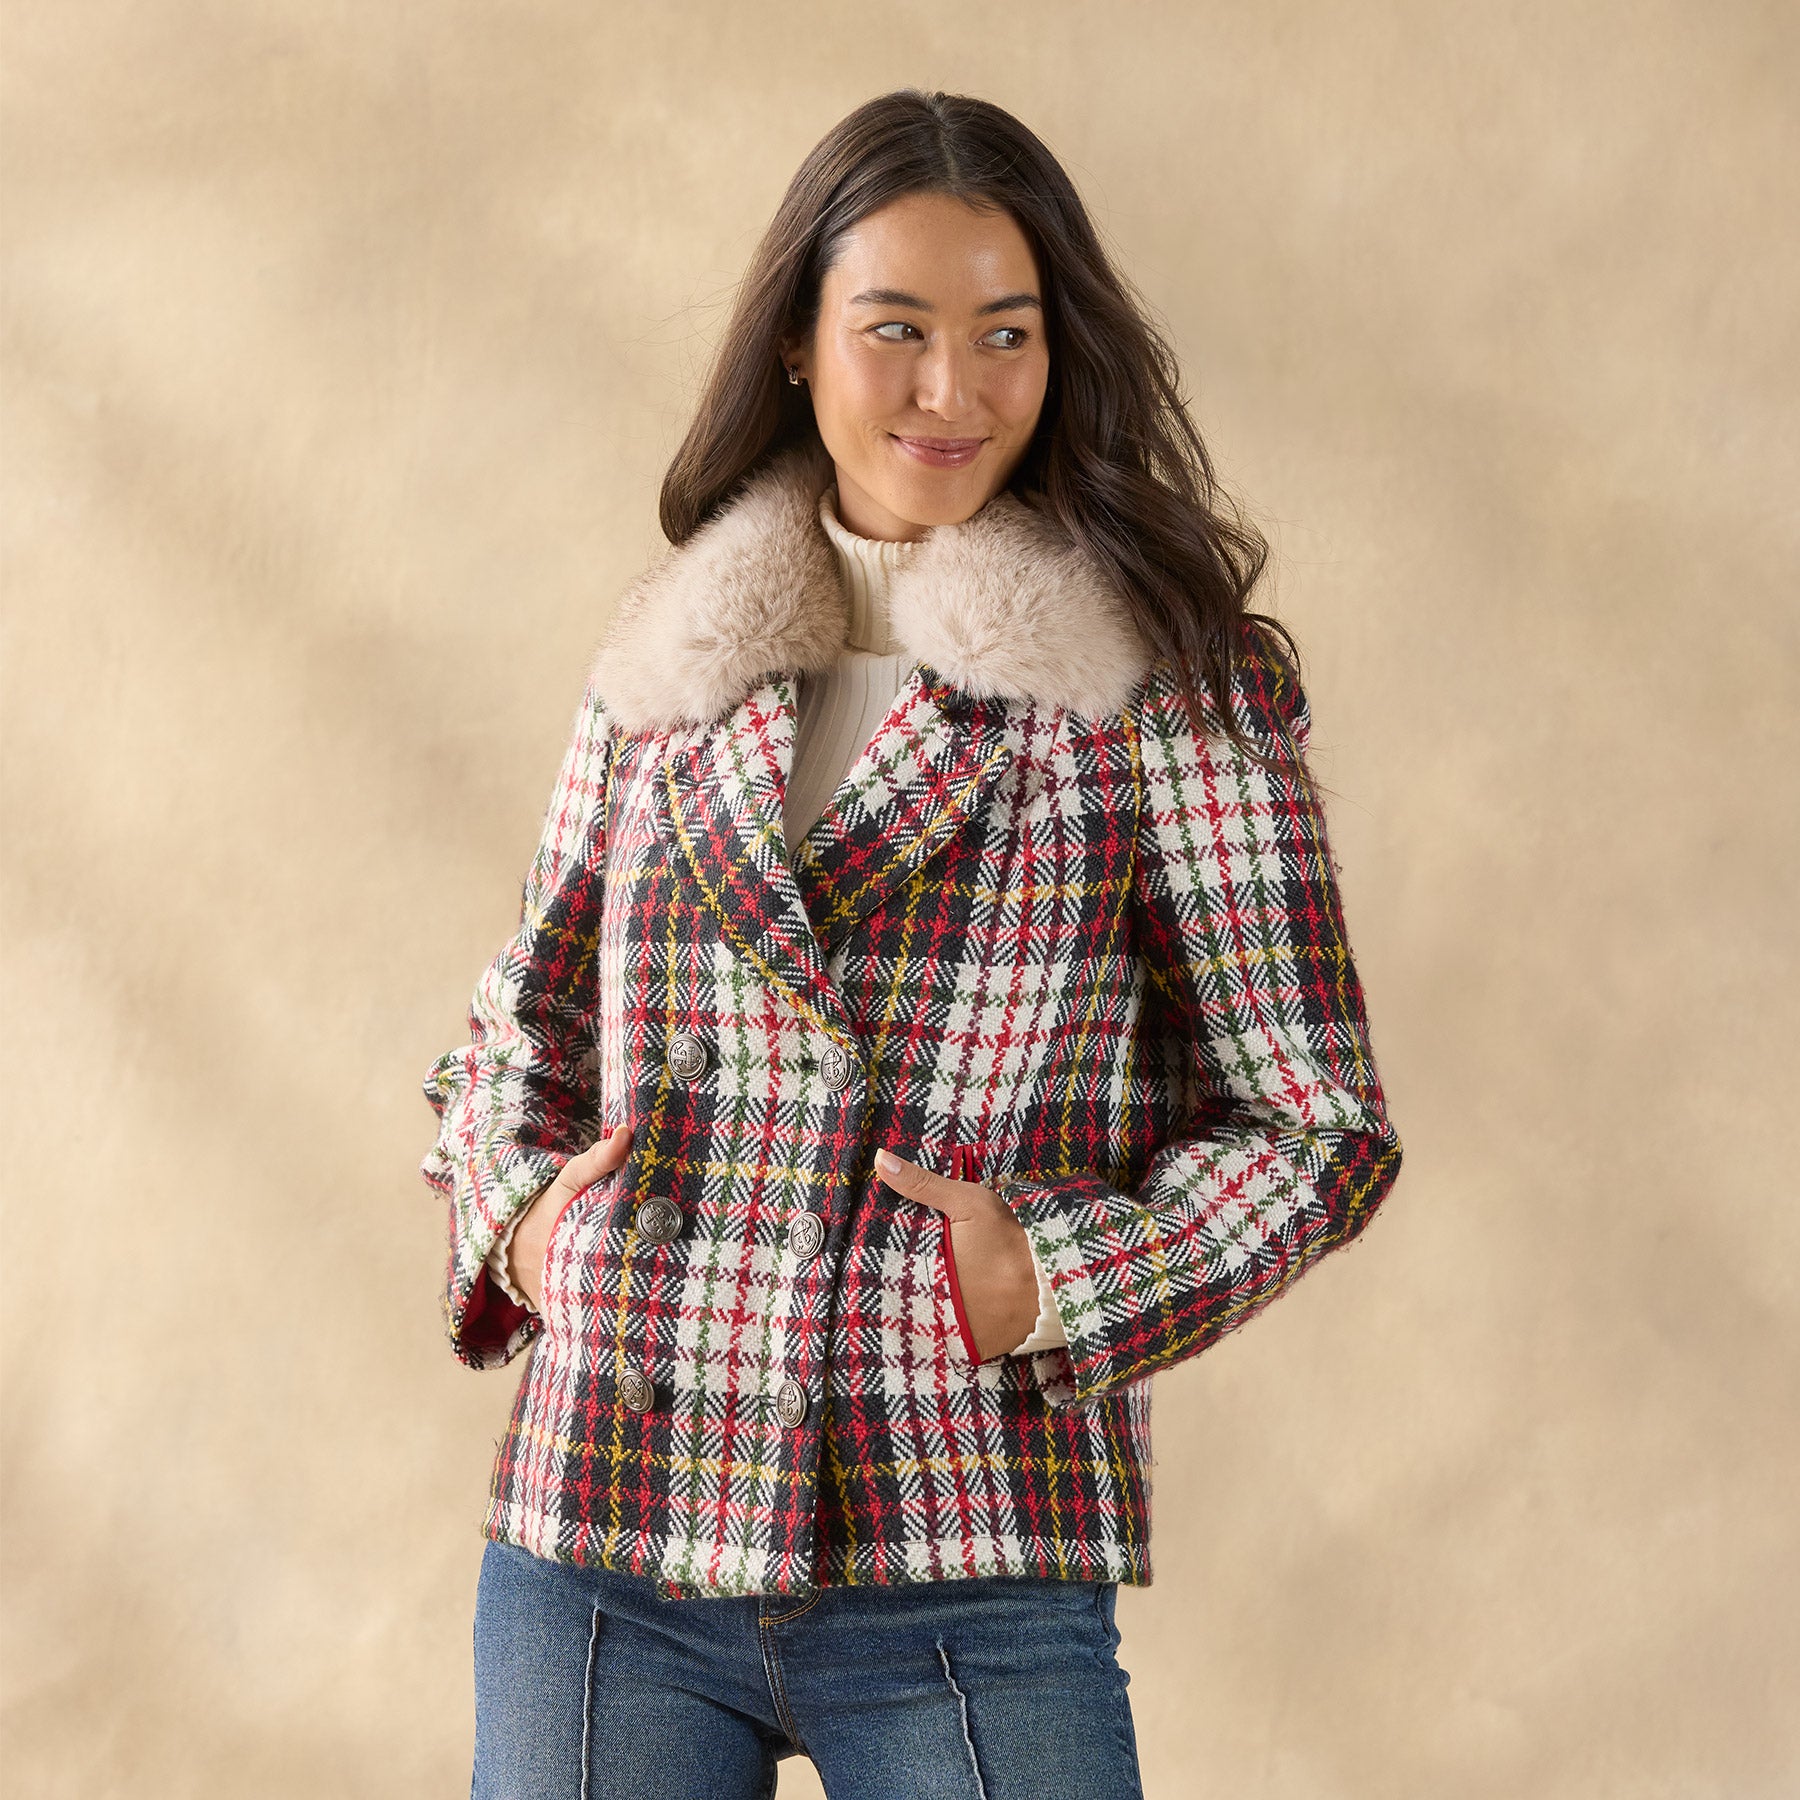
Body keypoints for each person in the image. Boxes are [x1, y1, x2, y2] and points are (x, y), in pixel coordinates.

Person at [421, 87, 1402, 1800]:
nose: (955, 391)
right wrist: (528, 1224)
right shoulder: (670, 661)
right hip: (607, 1532)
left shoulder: (1166, 685)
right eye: (897, 330)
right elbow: (520, 1030)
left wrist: (1053, 1281)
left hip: (967, 1533)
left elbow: (1317, 1125)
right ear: (798, 345)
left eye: (1005, 334)